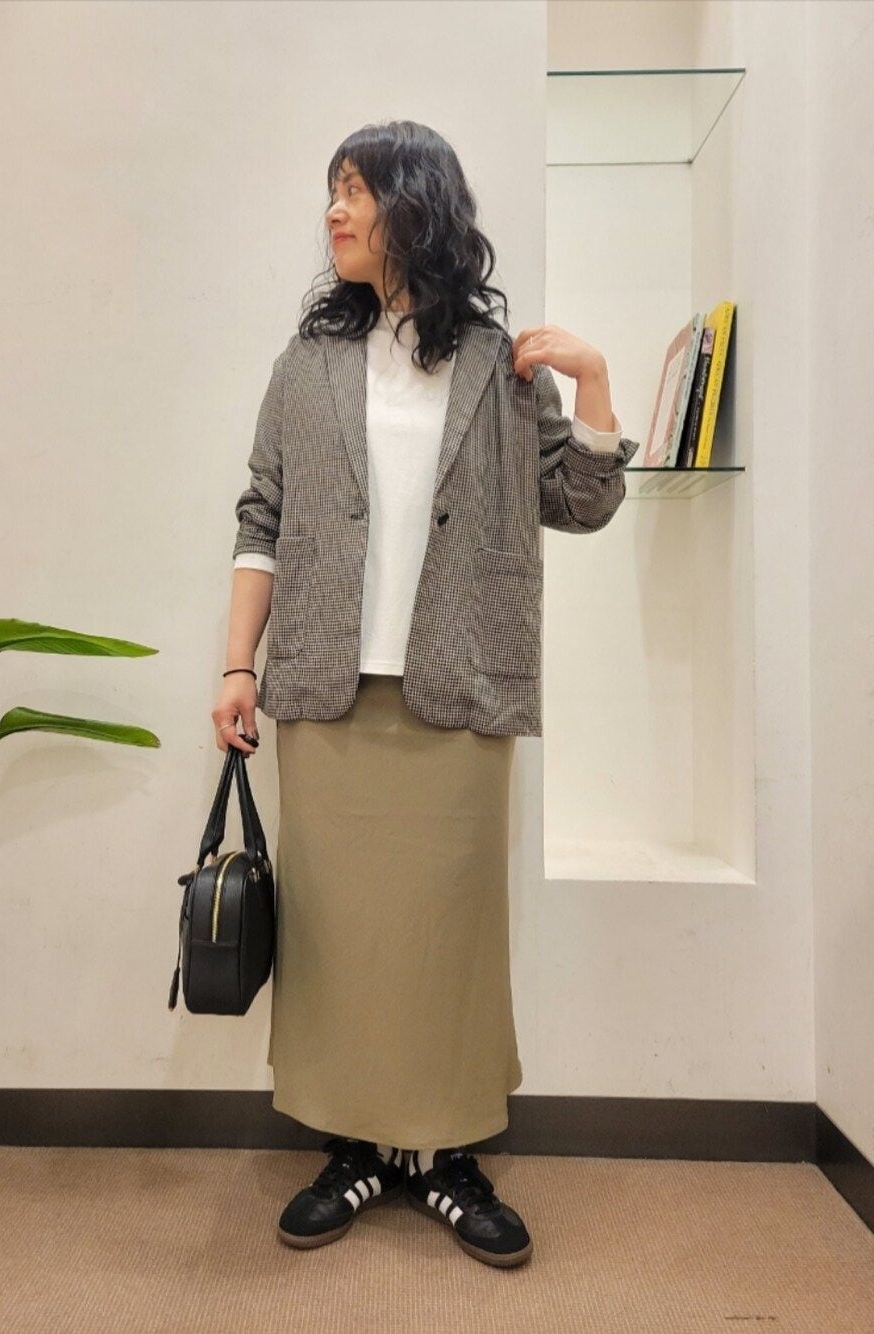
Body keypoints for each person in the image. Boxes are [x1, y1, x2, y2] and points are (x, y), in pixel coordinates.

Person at [214, 121, 637, 1270]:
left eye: (354, 190)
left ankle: (446, 1155)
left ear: (415, 206)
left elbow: (580, 502)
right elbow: (261, 518)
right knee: (339, 938)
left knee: (450, 939)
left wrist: (595, 380)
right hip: (326, 690)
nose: (334, 211)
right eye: (331, 192)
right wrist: (238, 664)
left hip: (460, 687)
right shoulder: (305, 366)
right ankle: (353, 1145)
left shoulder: (498, 365)